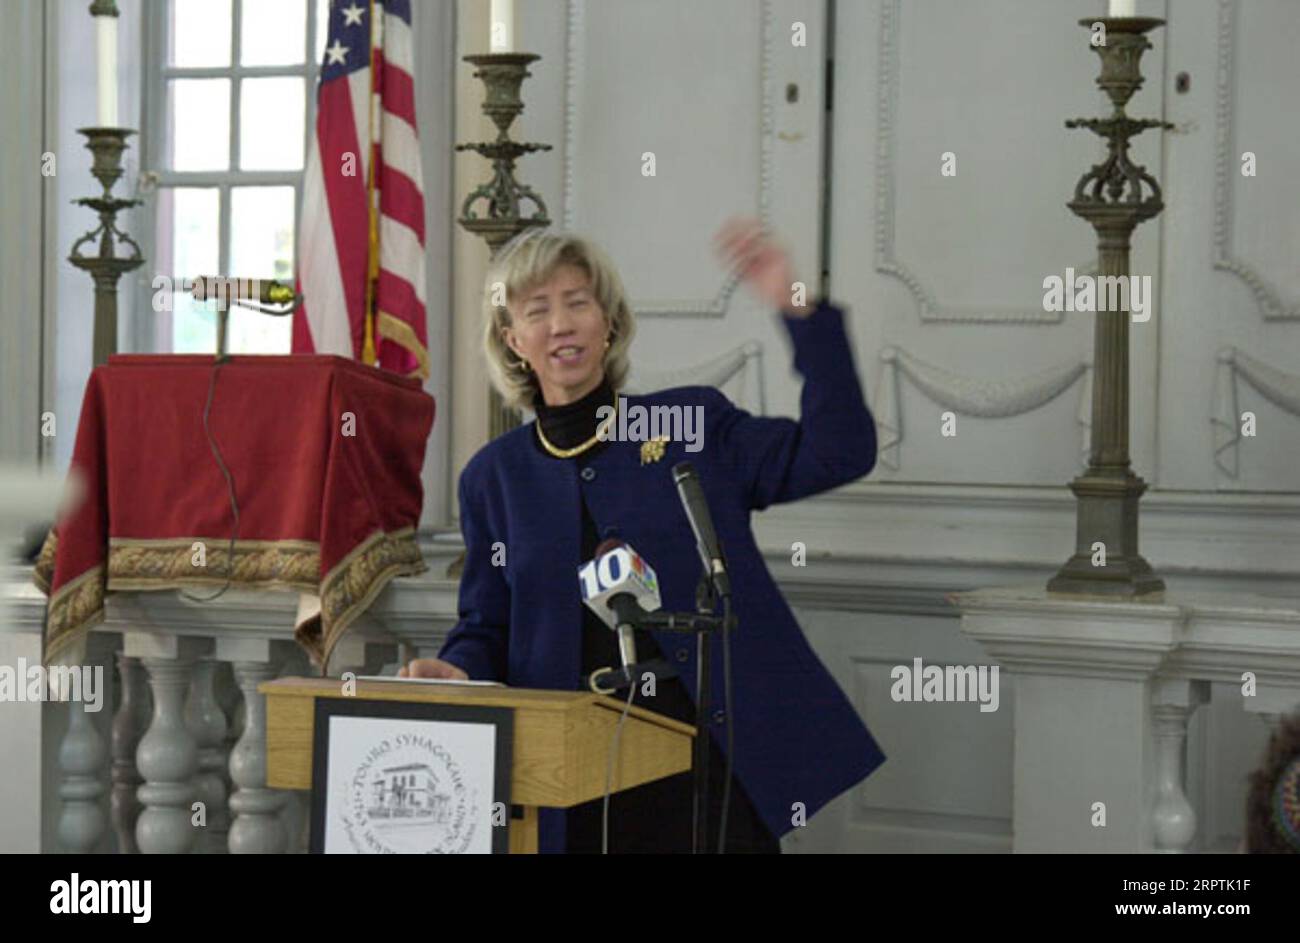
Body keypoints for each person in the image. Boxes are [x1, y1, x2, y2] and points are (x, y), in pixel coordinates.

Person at [402, 218, 885, 853]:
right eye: (538, 310)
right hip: (572, 774)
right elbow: (487, 626)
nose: (562, 324)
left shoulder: (688, 423)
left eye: (579, 302)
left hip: (704, 763)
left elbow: (838, 452)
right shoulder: (494, 477)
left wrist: (796, 308)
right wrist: (458, 670)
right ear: (513, 339)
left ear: (609, 322)